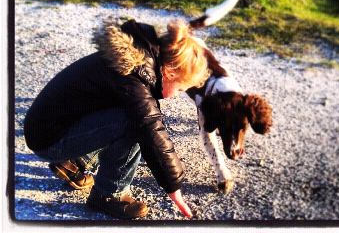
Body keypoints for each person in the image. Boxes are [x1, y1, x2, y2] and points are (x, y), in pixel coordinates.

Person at [24, 17, 210, 219]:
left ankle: (75, 162)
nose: (176, 95)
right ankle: (109, 194)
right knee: (134, 123)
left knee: (132, 113)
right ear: (170, 73)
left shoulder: (137, 62)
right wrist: (173, 186)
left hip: (49, 128)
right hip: (50, 139)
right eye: (180, 89)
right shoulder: (133, 77)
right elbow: (150, 129)